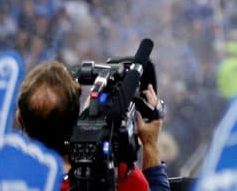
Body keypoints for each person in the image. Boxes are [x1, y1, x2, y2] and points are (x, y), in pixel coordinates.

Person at [15, 60, 170, 191]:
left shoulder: (6, 180)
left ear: (19, 118)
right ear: (75, 116)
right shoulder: (115, 175)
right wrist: (150, 145)